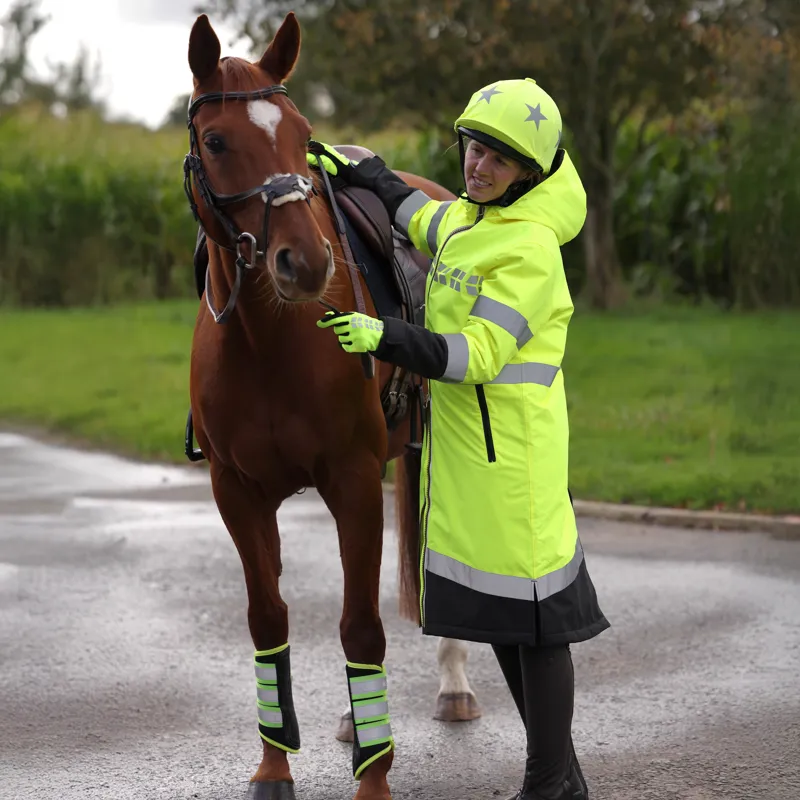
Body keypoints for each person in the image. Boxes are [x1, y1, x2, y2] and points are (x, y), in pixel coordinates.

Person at [309, 78, 609, 800]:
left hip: (515, 463)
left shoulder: (529, 249)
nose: (478, 167)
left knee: (538, 627)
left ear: (528, 175)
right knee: (505, 618)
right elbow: (420, 216)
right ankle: (564, 783)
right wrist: (367, 171)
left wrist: (385, 334)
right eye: (473, 149)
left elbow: (476, 354)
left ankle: (545, 786)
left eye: (498, 160)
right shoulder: (472, 221)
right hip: (476, 457)